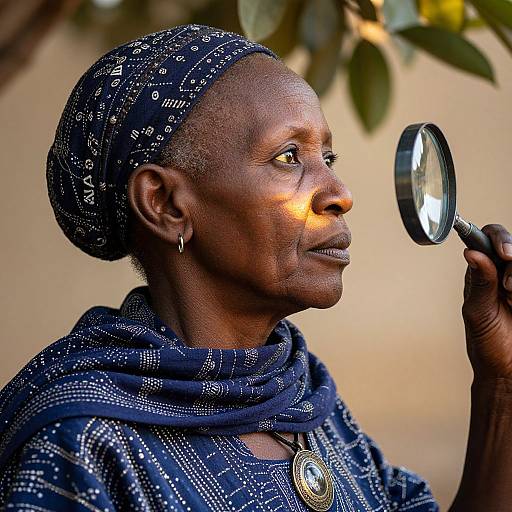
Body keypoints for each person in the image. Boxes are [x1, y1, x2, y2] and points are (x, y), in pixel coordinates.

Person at [0, 24, 511, 512]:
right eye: (288, 157)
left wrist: (501, 384)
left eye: (327, 158)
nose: (339, 194)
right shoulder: (82, 448)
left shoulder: (307, 404)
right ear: (165, 203)